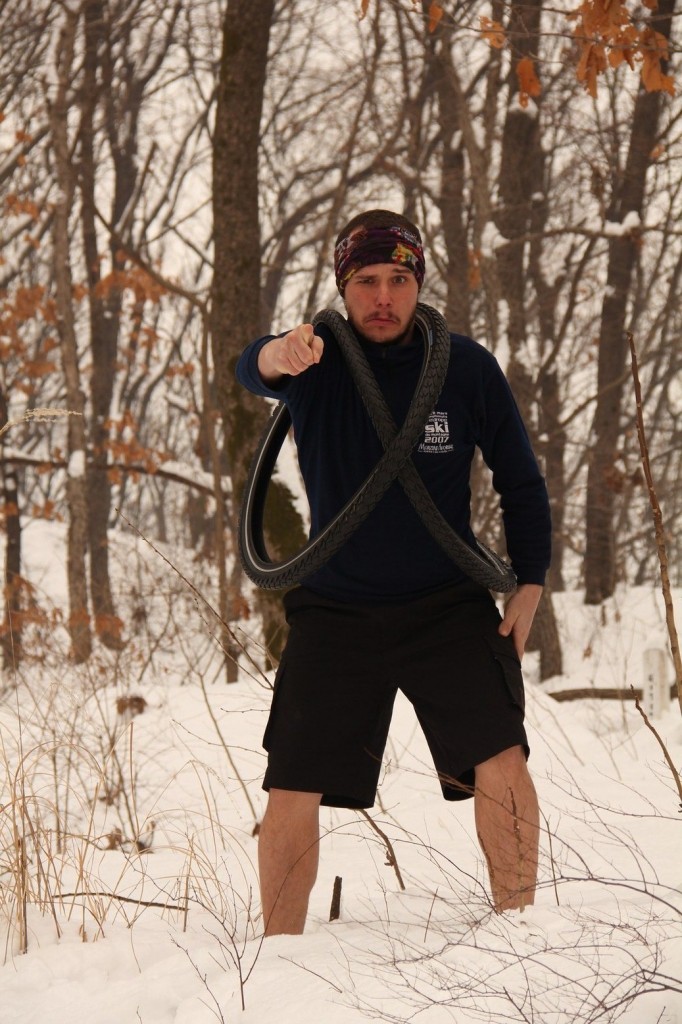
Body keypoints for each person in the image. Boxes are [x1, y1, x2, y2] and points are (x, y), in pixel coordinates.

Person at [236, 209, 551, 936]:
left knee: (502, 756)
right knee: (291, 781)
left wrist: (529, 583)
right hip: (335, 610)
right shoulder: (313, 362)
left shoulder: (465, 367)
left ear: (419, 283)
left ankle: (524, 930)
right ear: (343, 287)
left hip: (447, 605)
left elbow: (521, 480)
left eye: (399, 280)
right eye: (367, 281)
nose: (383, 297)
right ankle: (280, 953)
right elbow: (252, 368)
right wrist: (278, 353)